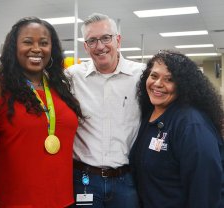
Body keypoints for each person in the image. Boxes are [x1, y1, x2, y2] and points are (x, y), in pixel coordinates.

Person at [0, 17, 84, 208]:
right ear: (14, 47)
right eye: (28, 42)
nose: (36, 49)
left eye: (43, 43)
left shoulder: (62, 90)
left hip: (64, 201)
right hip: (14, 202)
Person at [66, 13, 144, 208]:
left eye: (106, 38)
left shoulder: (142, 76)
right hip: (84, 180)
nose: (100, 46)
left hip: (126, 180)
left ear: (118, 40)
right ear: (85, 46)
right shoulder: (72, 78)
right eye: (92, 40)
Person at [130, 50, 224, 208]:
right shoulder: (150, 115)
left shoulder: (191, 125)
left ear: (183, 85)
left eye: (169, 79)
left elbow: (205, 189)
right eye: (154, 76)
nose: (158, 83)